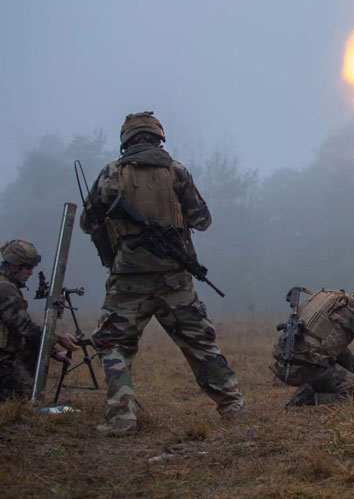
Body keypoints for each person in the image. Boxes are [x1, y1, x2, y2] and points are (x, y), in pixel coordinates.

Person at [80, 111, 245, 435]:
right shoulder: (176, 171)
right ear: (159, 138)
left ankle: (121, 417)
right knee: (200, 343)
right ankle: (233, 407)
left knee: (114, 346)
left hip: (128, 281)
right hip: (174, 279)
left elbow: (88, 221)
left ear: (126, 140)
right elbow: (202, 220)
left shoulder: (112, 173)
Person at [0, 240, 78, 399]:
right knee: (26, 398)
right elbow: (25, 328)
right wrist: (57, 339)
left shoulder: (7, 285)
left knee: (32, 347)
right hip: (3, 362)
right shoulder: (5, 288)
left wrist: (53, 352)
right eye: (28, 268)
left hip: (6, 358)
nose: (31, 273)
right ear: (14, 266)